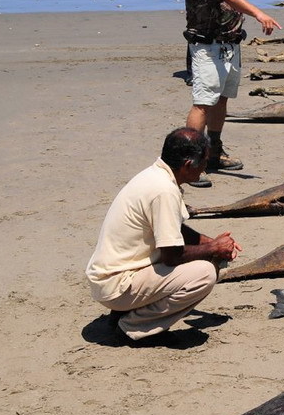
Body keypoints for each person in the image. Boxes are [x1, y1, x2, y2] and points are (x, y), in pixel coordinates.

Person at [85, 128, 242, 342]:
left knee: (206, 256)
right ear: (188, 165)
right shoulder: (164, 191)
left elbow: (174, 229)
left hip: (111, 276)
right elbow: (172, 256)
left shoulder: (155, 175)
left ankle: (126, 313)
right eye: (204, 162)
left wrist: (211, 242)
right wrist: (214, 249)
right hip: (117, 284)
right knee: (204, 273)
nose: (205, 168)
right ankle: (132, 326)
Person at [183, 0, 281, 184]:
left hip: (230, 41)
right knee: (203, 102)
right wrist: (259, 14)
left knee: (222, 99)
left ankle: (214, 151)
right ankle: (190, 161)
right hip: (206, 43)